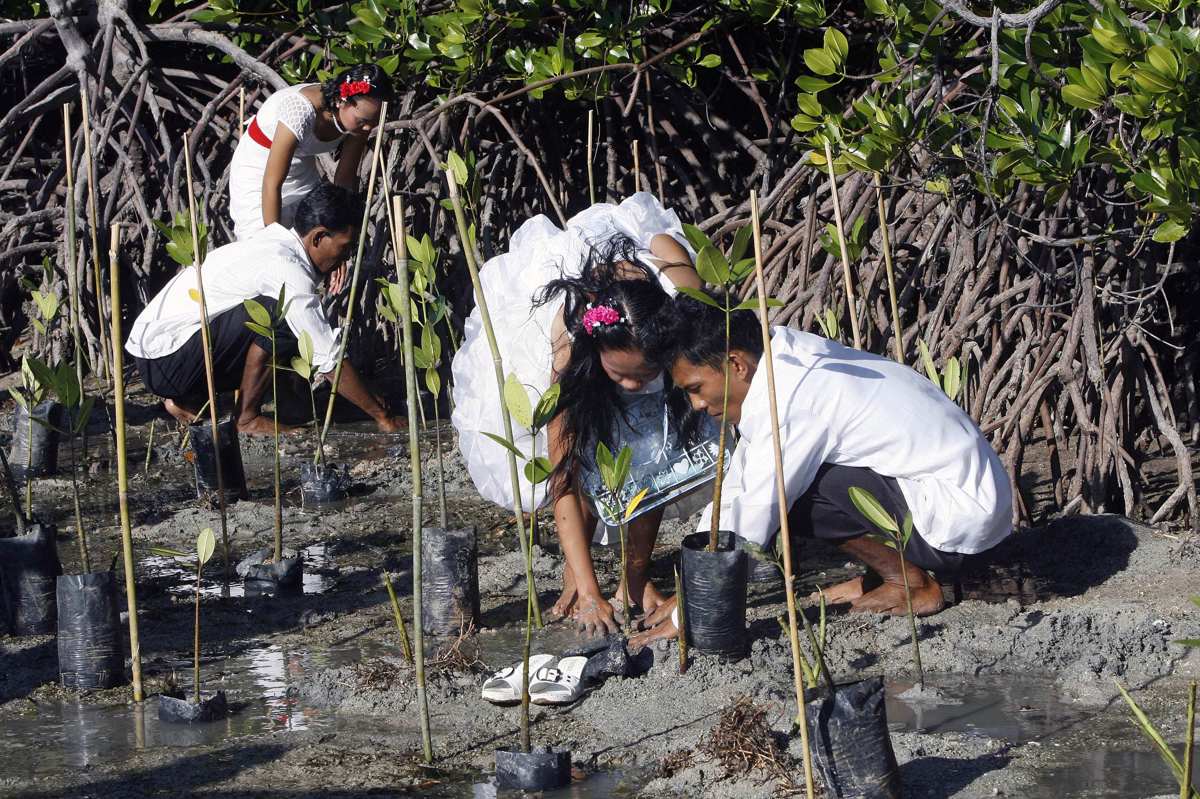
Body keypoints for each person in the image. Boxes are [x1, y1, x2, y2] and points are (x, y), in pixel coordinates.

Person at [632, 293, 1013, 646]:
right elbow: (738, 485)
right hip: (951, 498)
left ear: (736, 364)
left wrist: (693, 617)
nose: (696, 404)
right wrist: (690, 587)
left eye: (696, 387)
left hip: (956, 520)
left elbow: (756, 512)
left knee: (794, 497)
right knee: (787, 482)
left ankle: (909, 582)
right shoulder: (778, 356)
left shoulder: (794, 396)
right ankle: (885, 574)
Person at [450, 193, 710, 637]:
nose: (631, 386)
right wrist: (589, 590)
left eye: (642, 375)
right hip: (567, 293)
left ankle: (633, 582)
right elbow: (563, 477)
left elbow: (656, 470)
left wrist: (632, 582)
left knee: (654, 455)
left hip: (638, 261)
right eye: (620, 375)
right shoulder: (569, 351)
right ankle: (578, 576)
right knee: (582, 450)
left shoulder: (682, 304)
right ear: (599, 356)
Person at [127, 182, 402, 436]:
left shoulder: (276, 242)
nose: (347, 257)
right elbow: (327, 357)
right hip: (166, 360)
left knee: (289, 317)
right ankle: (246, 418)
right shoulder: (287, 269)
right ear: (318, 237)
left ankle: (187, 400)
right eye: (345, 247)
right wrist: (382, 415)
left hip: (157, 355)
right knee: (279, 313)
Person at [227, 65, 390, 252]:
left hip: (300, 169)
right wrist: (273, 245)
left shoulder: (360, 123)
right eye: (362, 120)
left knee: (311, 242)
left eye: (373, 121)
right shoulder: (300, 111)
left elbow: (344, 179)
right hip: (260, 168)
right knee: (260, 245)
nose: (368, 128)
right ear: (340, 100)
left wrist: (339, 240)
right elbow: (272, 183)